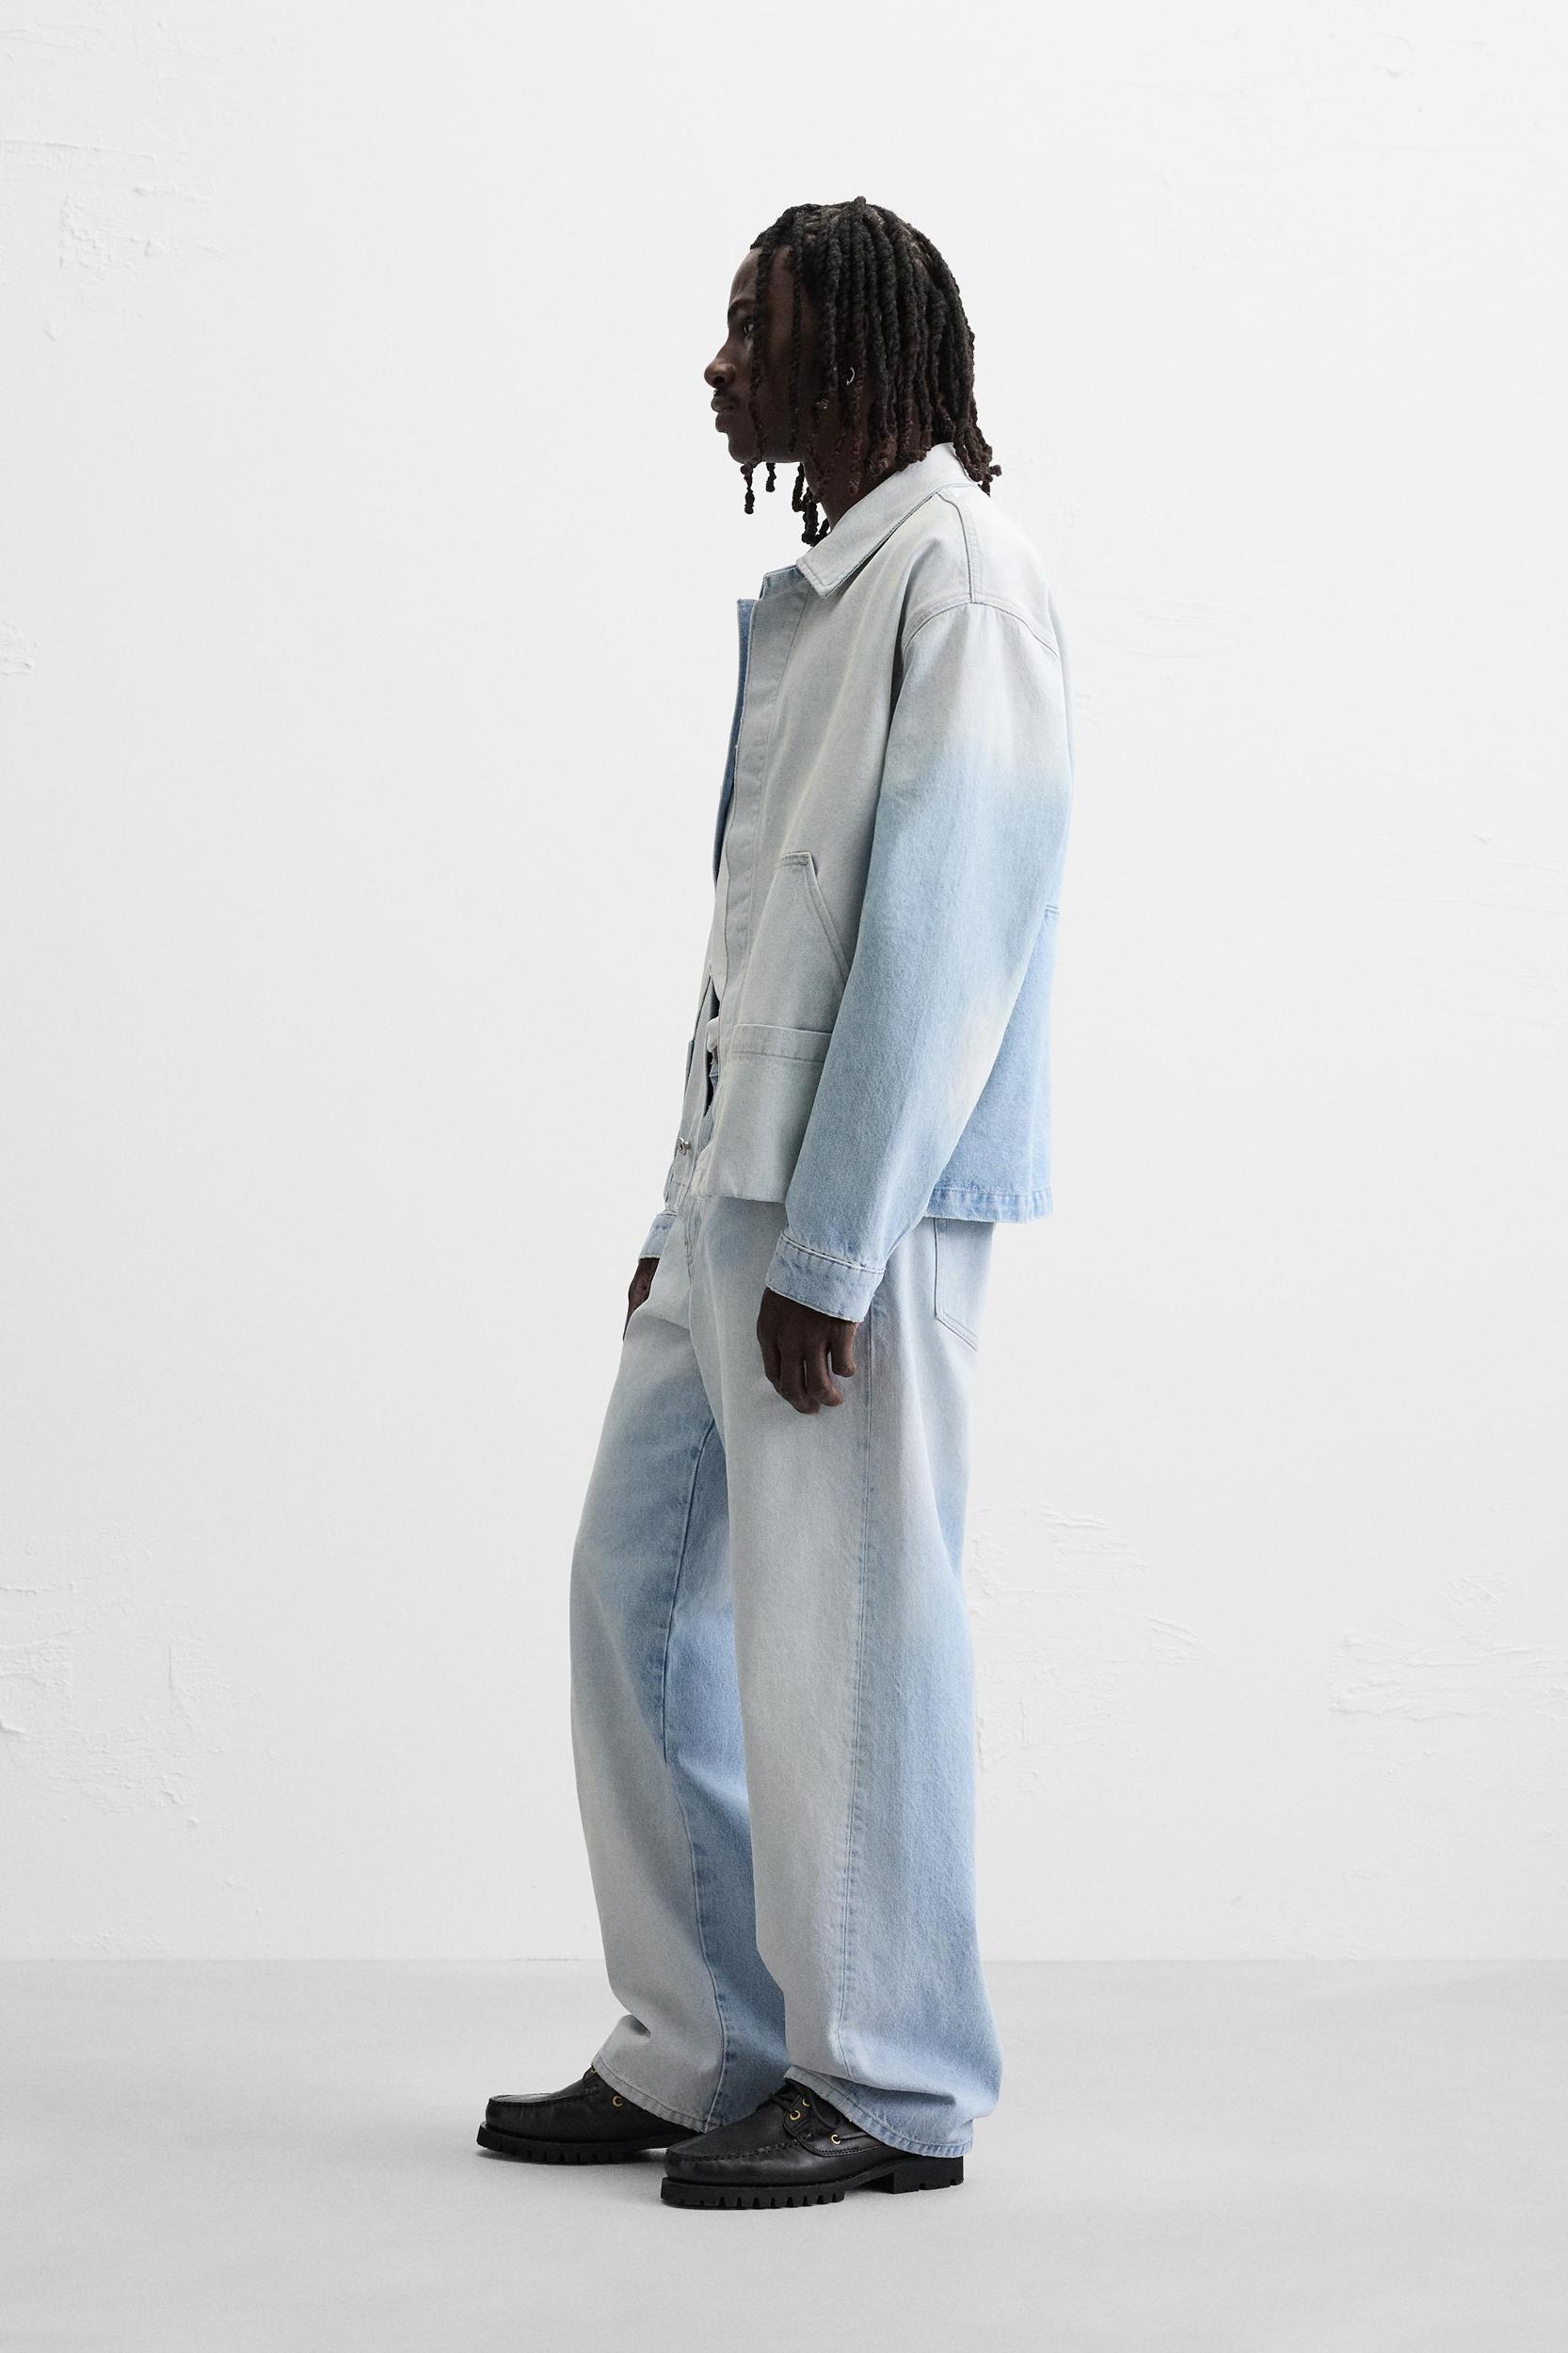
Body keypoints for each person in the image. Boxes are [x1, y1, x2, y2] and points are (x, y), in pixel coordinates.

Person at [476, 196, 1074, 2212]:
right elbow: (764, 936)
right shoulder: (824, 595)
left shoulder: (960, 583)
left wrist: (830, 1247)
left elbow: (942, 947)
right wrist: (681, 1204)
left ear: (860, 354)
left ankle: (889, 2078)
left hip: (849, 1224)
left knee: (849, 1634)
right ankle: (701, 2040)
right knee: (630, 1584)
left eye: (758, 323)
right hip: (729, 1199)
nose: (721, 362)